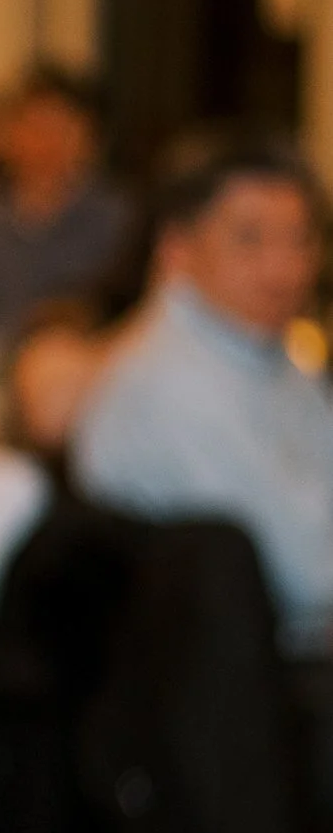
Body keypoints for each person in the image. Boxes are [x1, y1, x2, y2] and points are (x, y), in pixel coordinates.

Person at [72, 139, 333, 647]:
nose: (283, 269)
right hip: (247, 685)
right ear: (177, 249)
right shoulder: (170, 381)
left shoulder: (267, 355)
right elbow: (305, 574)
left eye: (300, 240)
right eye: (250, 240)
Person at [0, 66, 138, 344]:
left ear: (91, 139)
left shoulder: (120, 219)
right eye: (34, 128)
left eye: (61, 130)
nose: (45, 145)